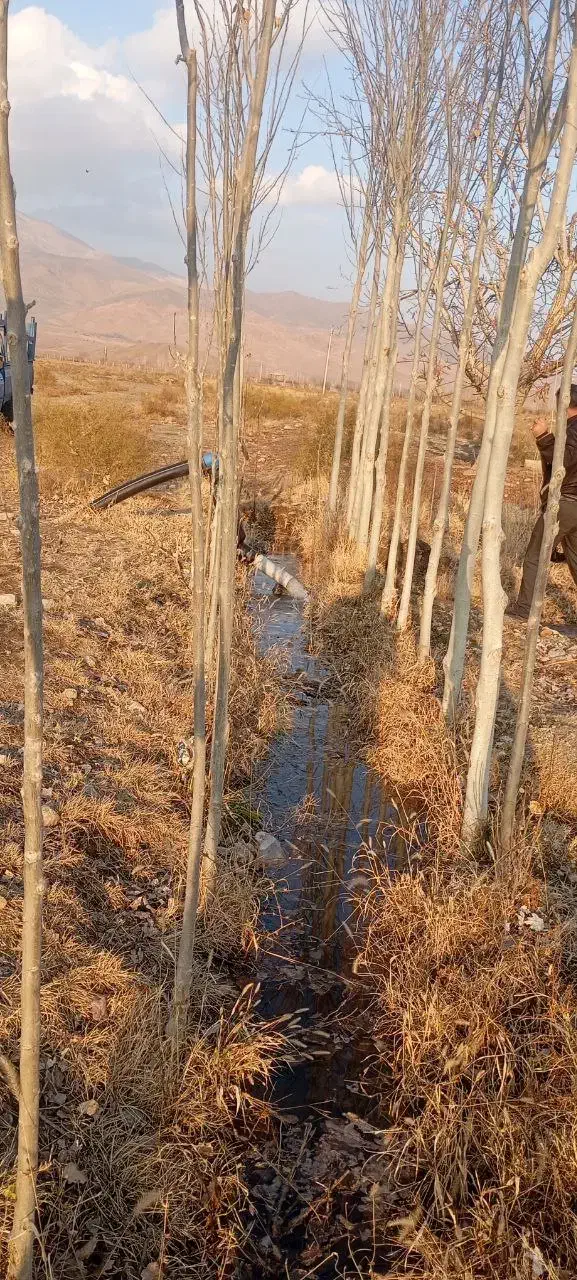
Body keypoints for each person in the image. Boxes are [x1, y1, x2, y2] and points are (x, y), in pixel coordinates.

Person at [507, 384, 577, 620]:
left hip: (564, 503)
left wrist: (544, 437)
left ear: (564, 403)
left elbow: (564, 461)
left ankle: (524, 610)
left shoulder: (574, 428)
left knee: (535, 556)